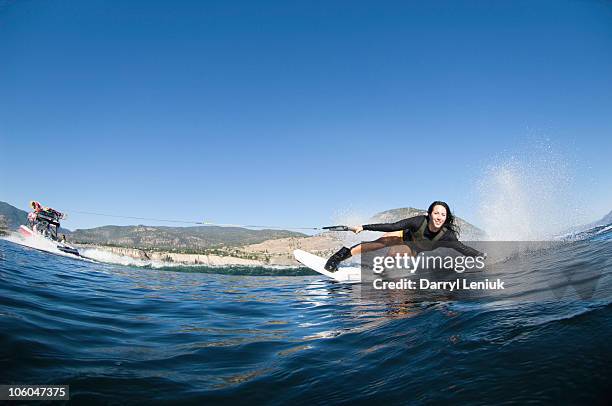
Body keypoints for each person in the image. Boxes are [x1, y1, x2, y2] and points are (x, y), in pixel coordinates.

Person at [324, 201, 484, 272]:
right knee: (381, 242)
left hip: (414, 248)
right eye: (436, 213)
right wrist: (363, 227)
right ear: (429, 214)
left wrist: (480, 256)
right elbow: (393, 226)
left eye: (443, 214)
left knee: (395, 252)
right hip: (403, 235)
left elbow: (463, 249)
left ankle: (382, 270)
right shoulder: (418, 221)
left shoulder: (447, 236)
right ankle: (339, 256)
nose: (439, 217)